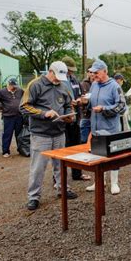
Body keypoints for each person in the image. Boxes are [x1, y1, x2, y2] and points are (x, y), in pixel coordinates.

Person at [20, 61, 78, 211]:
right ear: (50, 71)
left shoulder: (63, 86)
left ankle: (62, 189)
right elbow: (24, 106)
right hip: (41, 134)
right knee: (38, 167)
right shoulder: (35, 85)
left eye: (60, 77)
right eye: (56, 76)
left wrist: (68, 116)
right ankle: (34, 197)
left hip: (59, 132)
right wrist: (44, 113)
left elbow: (67, 104)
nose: (58, 80)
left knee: (60, 164)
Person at [85, 60, 126, 194]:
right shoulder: (94, 85)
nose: (94, 75)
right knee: (97, 155)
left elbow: (121, 107)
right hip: (96, 127)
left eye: (96, 72)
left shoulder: (114, 86)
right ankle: (99, 181)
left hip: (110, 128)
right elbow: (90, 102)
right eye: (92, 72)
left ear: (105, 71)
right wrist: (84, 101)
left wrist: (104, 109)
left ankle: (114, 183)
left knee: (113, 156)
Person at [61, 56, 91, 181]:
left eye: (72, 70)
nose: (71, 72)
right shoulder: (58, 80)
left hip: (75, 118)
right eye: (69, 70)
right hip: (63, 119)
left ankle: (77, 174)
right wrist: (67, 103)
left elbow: (79, 94)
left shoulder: (74, 80)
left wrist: (80, 100)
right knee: (62, 149)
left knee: (77, 147)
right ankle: (59, 179)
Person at [0, 78, 24, 158]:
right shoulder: (2, 92)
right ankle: (5, 151)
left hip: (19, 116)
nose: (14, 87)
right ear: (9, 84)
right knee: (7, 134)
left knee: (19, 134)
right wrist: (1, 106)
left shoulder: (20, 91)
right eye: (13, 86)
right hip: (8, 117)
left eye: (15, 85)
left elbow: (25, 98)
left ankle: (21, 150)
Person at [79, 68, 94, 144]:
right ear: (87, 72)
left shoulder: (99, 84)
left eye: (93, 72)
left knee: (95, 141)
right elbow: (78, 99)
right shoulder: (82, 84)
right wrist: (81, 101)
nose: (92, 74)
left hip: (96, 117)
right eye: (90, 72)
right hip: (85, 116)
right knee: (84, 140)